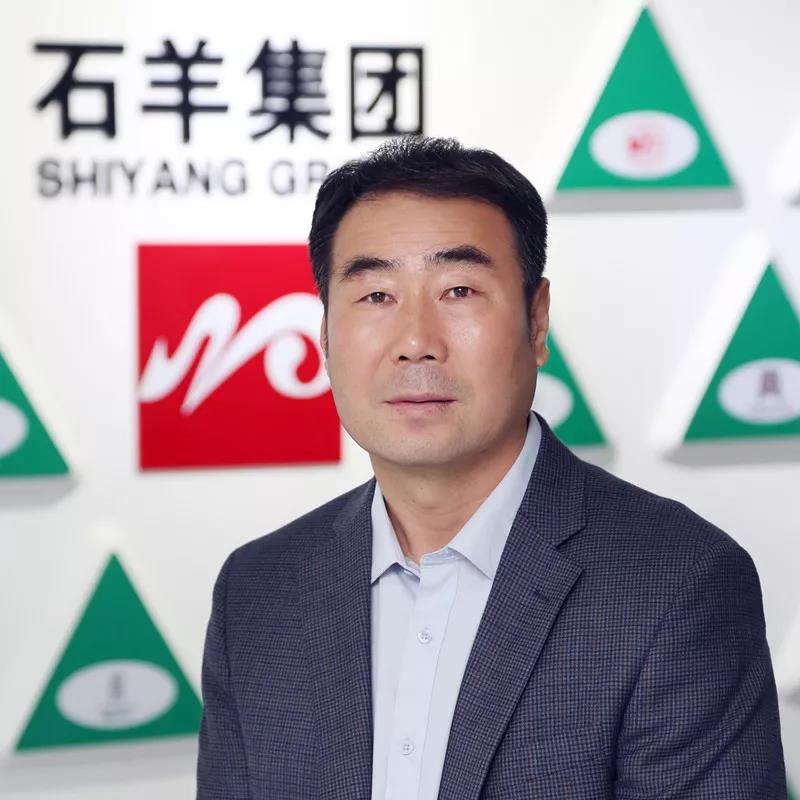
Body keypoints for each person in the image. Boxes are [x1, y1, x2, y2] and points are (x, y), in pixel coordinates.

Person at [196, 137, 786, 799]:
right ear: (326, 336)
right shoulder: (258, 590)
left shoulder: (677, 583)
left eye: (459, 290)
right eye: (376, 295)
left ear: (537, 320)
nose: (415, 342)